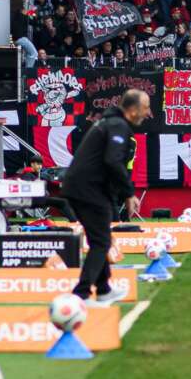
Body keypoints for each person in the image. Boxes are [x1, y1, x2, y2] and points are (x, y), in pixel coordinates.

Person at [63, 89, 152, 304]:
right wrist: (129, 193)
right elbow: (113, 161)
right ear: (132, 110)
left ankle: (103, 289)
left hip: (81, 188)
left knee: (99, 239)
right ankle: (81, 294)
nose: (148, 113)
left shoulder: (110, 123)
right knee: (102, 241)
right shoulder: (117, 125)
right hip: (88, 190)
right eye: (145, 107)